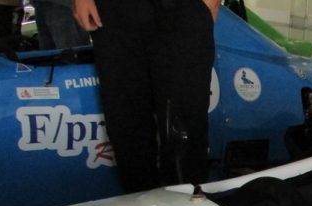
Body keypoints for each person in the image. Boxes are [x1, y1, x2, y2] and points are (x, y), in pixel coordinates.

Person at [73, 0, 220, 192]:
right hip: (114, 14)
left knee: (185, 125)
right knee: (125, 124)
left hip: (182, 11)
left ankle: (185, 205)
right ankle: (140, 204)